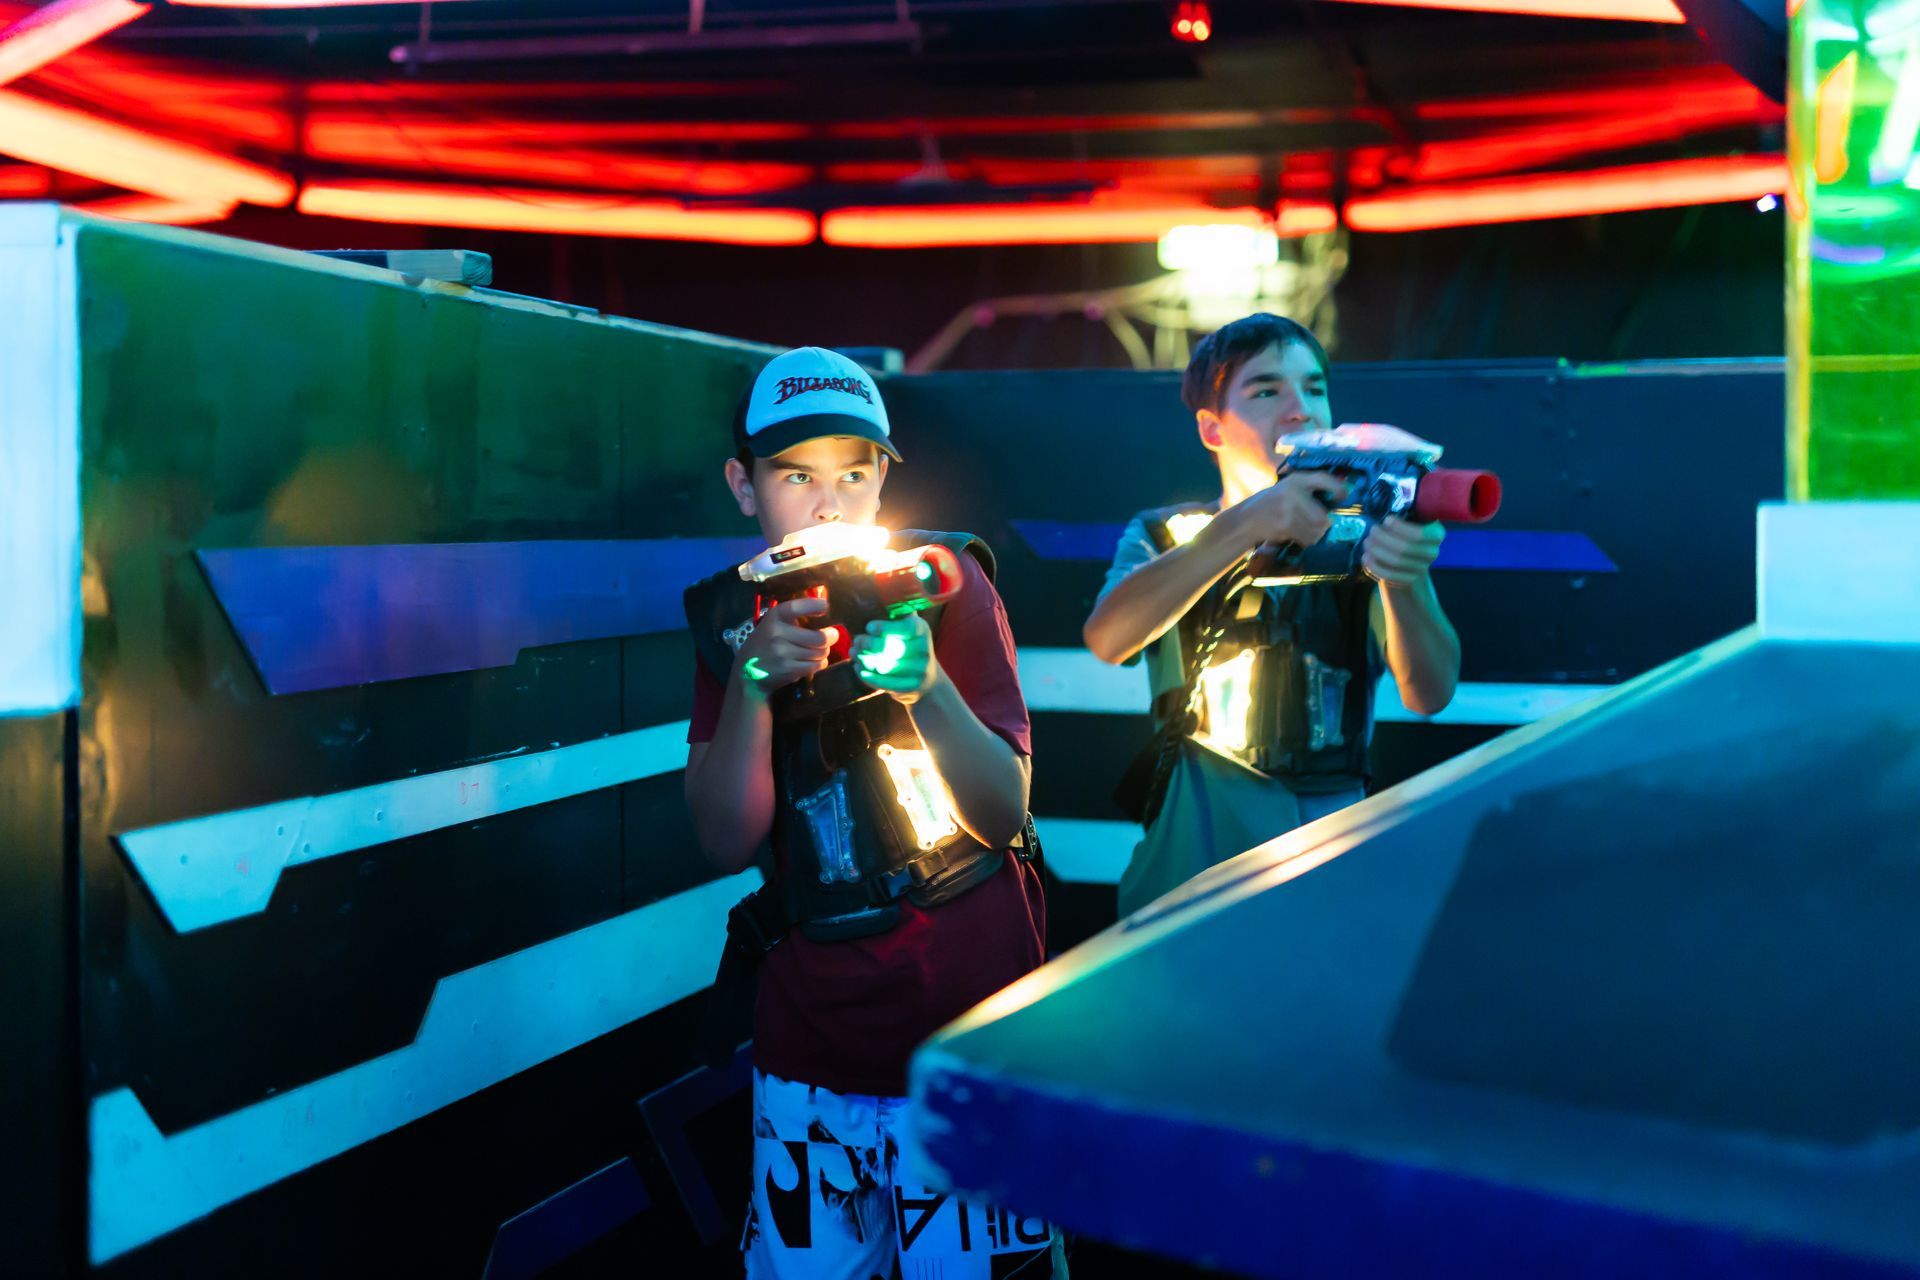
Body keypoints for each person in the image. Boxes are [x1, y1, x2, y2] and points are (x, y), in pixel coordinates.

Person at [682, 346, 1061, 1279]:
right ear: (744, 484)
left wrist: (925, 684)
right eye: (795, 475)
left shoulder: (943, 582)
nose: (826, 503)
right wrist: (754, 685)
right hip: (813, 1046)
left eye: (854, 474)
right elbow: (723, 840)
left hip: (970, 1033)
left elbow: (1001, 809)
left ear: (885, 478)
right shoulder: (730, 620)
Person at [1084, 313, 1460, 917]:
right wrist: (1245, 524)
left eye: (1314, 388)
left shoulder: (1366, 532)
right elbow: (1108, 639)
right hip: (1199, 833)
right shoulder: (1168, 533)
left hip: (1335, 832)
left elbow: (1430, 692)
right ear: (1212, 429)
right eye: (1266, 391)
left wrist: (1406, 580)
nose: (1299, 410)